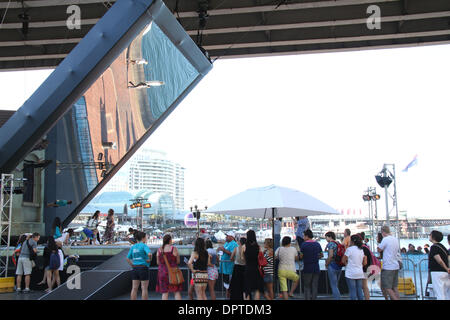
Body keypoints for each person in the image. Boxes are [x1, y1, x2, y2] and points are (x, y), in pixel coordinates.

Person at [126, 231, 152, 300]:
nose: (146, 238)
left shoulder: (133, 247)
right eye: (146, 237)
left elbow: (127, 258)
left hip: (135, 269)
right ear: (143, 238)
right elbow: (149, 254)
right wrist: (149, 259)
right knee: (144, 288)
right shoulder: (144, 246)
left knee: (134, 288)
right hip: (143, 268)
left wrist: (132, 265)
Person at [156, 234, 182, 300]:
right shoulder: (174, 249)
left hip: (162, 272)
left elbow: (158, 262)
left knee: (165, 292)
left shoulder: (159, 250)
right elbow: (178, 261)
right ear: (170, 240)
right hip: (173, 273)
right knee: (176, 292)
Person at [377, 225, 400, 300]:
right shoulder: (395, 239)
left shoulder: (385, 239)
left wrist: (378, 245)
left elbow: (379, 250)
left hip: (388, 266)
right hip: (395, 265)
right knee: (395, 287)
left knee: (387, 287)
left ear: (383, 232)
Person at [299, 229, 323, 300]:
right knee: (314, 285)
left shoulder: (303, 244)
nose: (303, 237)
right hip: (316, 267)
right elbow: (321, 255)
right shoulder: (317, 244)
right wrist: (315, 257)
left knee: (307, 286)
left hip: (307, 267)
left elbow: (301, 256)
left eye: (304, 236)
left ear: (307, 236)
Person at [342, 234, 367, 300]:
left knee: (352, 291)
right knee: (359, 291)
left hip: (350, 273)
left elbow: (343, 260)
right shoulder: (361, 250)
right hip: (359, 272)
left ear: (352, 241)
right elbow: (363, 262)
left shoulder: (349, 249)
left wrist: (346, 264)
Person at [242, 230, 264, 300]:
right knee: (257, 289)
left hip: (248, 269)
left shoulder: (244, 246)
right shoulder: (258, 247)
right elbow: (260, 258)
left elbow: (242, 258)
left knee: (247, 289)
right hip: (256, 269)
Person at [428, 230, 450, 300]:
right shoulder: (443, 247)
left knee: (439, 293)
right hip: (445, 273)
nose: (429, 236)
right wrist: (447, 269)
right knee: (446, 293)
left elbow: (439, 260)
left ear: (433, 237)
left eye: (430, 235)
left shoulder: (434, 247)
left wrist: (447, 268)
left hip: (437, 272)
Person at [218, 231, 238, 298]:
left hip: (229, 267)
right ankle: (227, 296)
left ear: (232, 237)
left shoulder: (234, 244)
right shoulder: (226, 243)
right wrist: (220, 249)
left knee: (229, 284)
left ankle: (228, 296)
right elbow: (223, 250)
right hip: (224, 267)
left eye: (227, 236)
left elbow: (233, 254)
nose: (226, 237)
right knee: (226, 284)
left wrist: (224, 250)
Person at [324, 231, 342, 300]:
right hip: (339, 265)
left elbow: (330, 255)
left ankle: (337, 298)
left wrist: (327, 263)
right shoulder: (337, 243)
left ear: (329, 237)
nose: (326, 239)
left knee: (333, 285)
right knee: (336, 284)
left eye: (326, 237)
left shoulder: (331, 244)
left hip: (332, 265)